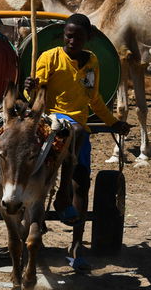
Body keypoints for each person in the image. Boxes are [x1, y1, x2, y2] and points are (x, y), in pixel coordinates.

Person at [23, 13, 129, 240]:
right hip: (51, 121)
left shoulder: (91, 62)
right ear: (64, 35)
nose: (72, 41)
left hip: (78, 126)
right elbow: (34, 94)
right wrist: (29, 87)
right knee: (77, 132)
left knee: (82, 182)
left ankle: (77, 245)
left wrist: (113, 122)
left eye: (78, 37)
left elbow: (94, 98)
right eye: (68, 36)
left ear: (88, 37)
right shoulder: (49, 57)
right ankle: (60, 195)